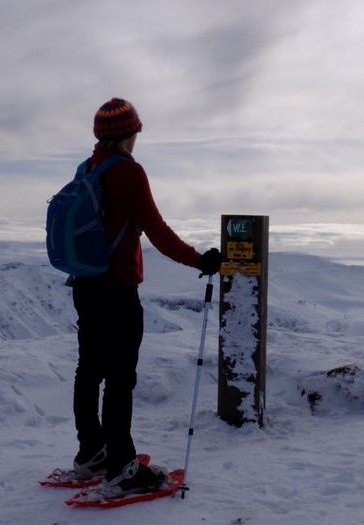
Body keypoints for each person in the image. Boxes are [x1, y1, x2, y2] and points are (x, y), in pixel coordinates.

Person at [56, 98, 223, 495]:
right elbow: (157, 230)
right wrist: (200, 259)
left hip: (85, 285)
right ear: (130, 133)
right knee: (119, 378)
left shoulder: (88, 168)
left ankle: (91, 454)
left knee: (89, 371)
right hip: (116, 288)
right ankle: (121, 468)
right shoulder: (127, 172)